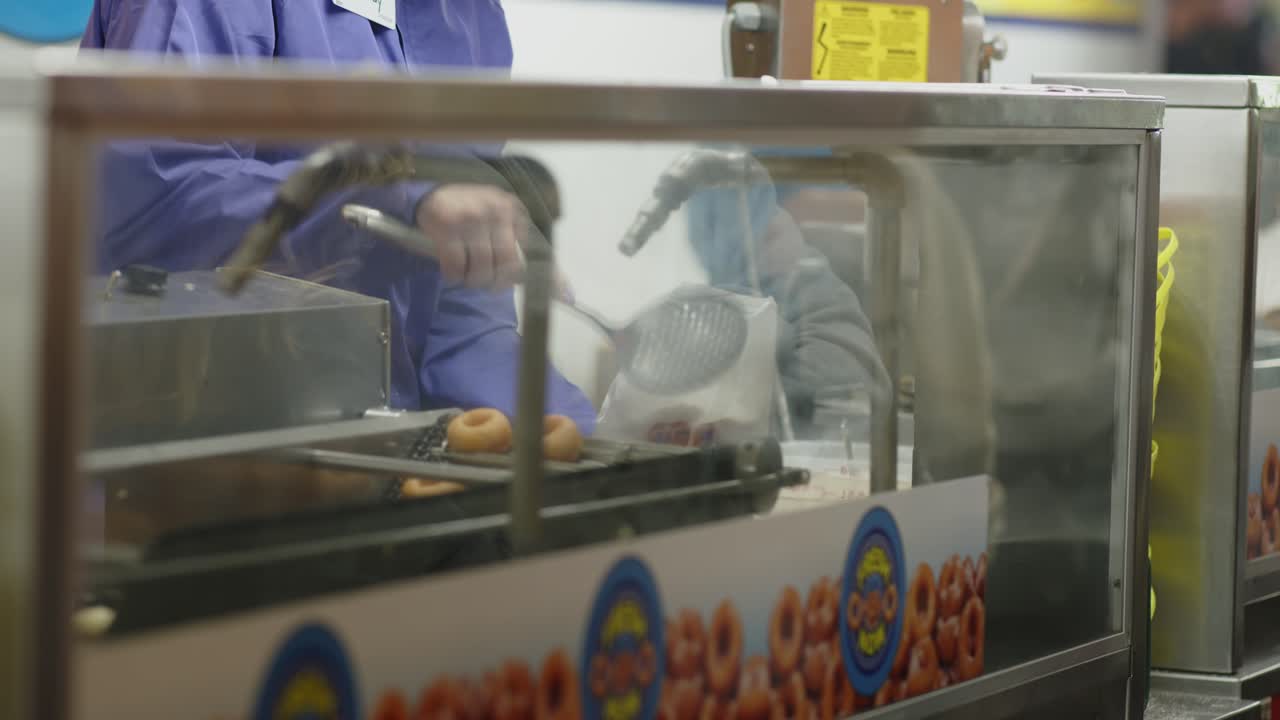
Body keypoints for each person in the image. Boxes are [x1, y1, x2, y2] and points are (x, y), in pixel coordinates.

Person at [81, 0, 597, 432]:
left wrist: (583, 439)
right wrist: (393, 199)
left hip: (366, 453)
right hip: (202, 440)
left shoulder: (462, 16)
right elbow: (153, 209)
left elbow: (456, 313)